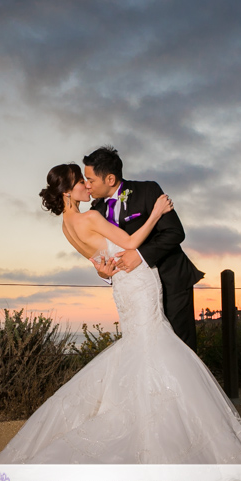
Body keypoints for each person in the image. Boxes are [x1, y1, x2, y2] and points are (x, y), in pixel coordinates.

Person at [0, 163, 241, 464]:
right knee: (154, 342)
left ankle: (154, 415)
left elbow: (100, 261)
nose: (88, 185)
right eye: (82, 182)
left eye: (89, 180)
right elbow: (130, 243)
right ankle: (159, 425)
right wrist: (156, 212)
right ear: (69, 191)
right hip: (136, 281)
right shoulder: (92, 215)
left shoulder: (67, 226)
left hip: (121, 285)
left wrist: (102, 270)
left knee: (142, 346)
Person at [83, 146, 203, 351]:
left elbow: (175, 233)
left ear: (110, 179)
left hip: (171, 281)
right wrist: (104, 272)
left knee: (181, 349)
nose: (87, 186)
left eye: (91, 180)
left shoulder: (148, 191)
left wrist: (140, 255)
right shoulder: (96, 211)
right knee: (147, 348)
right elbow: (104, 251)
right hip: (138, 291)